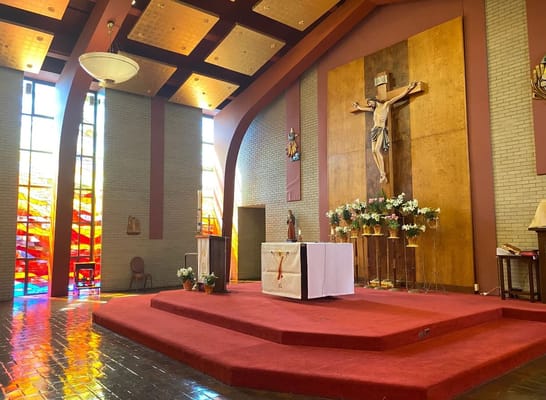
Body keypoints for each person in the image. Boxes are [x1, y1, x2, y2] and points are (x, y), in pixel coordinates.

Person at [353, 81, 418, 184]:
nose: (369, 104)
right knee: (373, 151)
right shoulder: (373, 110)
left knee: (377, 150)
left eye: (370, 102)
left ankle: (383, 174)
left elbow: (398, 97)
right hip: (374, 131)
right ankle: (381, 173)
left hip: (380, 129)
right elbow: (362, 108)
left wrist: (408, 89)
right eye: (369, 104)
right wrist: (358, 107)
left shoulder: (385, 105)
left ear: (374, 100)